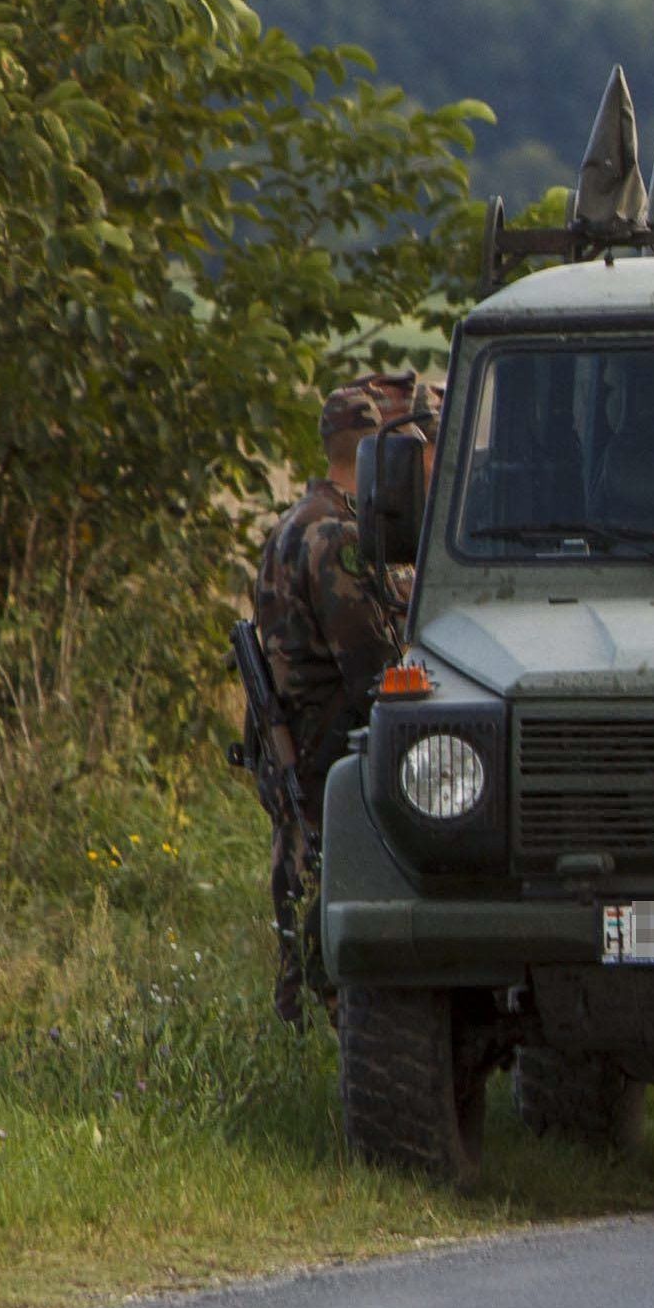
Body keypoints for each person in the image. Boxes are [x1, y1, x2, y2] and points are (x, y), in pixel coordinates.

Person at [247, 372, 427, 1021]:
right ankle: (320, 1015)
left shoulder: (292, 524)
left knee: (294, 878)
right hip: (326, 744)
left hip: (293, 739)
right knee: (321, 884)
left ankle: (295, 1015)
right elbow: (374, 670)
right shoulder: (339, 537)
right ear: (378, 451)